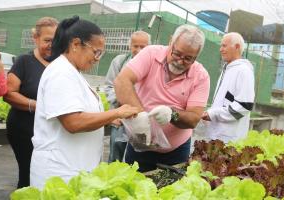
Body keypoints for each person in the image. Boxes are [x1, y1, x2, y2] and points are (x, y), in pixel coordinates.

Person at [29, 16, 139, 189]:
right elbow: (73, 122)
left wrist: (107, 119)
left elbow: (78, 110)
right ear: (75, 44)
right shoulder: (61, 73)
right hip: (60, 173)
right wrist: (116, 112)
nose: (97, 58)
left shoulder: (73, 72)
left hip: (74, 169)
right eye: (96, 52)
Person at [114, 24, 210, 172]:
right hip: (139, 143)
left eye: (188, 59)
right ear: (171, 41)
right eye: (177, 54)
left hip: (175, 151)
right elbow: (122, 81)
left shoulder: (201, 76)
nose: (180, 61)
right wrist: (140, 115)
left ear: (196, 56)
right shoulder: (151, 54)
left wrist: (173, 114)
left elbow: (194, 119)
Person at [3, 17, 58, 188]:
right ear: (35, 38)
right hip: (24, 129)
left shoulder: (59, 63)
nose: (52, 45)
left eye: (56, 41)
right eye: (47, 40)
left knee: (48, 175)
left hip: (50, 130)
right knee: (29, 172)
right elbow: (9, 94)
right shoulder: (24, 62)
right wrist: (38, 106)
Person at [105, 30, 151, 163]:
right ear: (130, 46)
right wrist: (120, 101)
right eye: (135, 46)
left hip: (140, 118)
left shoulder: (151, 65)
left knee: (138, 153)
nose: (138, 50)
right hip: (120, 117)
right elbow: (109, 86)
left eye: (143, 47)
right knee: (116, 150)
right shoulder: (119, 61)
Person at [201, 32, 255, 143]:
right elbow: (224, 101)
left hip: (229, 140)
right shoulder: (228, 69)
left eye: (224, 46)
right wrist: (211, 113)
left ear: (237, 47)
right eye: (221, 46)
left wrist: (213, 114)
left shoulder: (243, 71)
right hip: (217, 136)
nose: (220, 49)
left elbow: (243, 107)